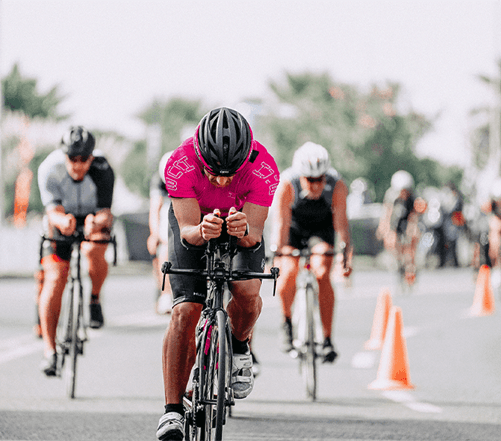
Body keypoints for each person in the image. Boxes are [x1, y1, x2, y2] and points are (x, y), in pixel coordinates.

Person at [156, 107, 279, 441]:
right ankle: (172, 411)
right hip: (197, 224)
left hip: (240, 225)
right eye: (214, 172)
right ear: (199, 156)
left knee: (247, 290)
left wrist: (243, 229)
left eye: (231, 173)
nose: (223, 180)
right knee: (184, 311)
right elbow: (187, 233)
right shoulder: (180, 164)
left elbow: (254, 234)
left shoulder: (264, 168)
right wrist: (201, 228)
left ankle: (240, 348)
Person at [37, 126, 114, 376]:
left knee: (95, 250)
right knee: (55, 277)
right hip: (61, 218)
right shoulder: (49, 169)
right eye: (72, 159)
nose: (78, 165)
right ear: (64, 155)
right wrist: (64, 223)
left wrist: (96, 222)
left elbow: (106, 212)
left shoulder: (103, 169)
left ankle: (94, 298)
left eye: (84, 160)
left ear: (92, 157)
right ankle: (50, 352)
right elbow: (52, 211)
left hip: (92, 218)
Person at [270, 142, 352, 364]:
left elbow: (342, 225)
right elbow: (281, 225)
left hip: (320, 231)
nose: (316, 185)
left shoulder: (337, 185)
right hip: (294, 231)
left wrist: (345, 257)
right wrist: (276, 257)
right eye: (310, 180)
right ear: (301, 176)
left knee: (322, 271)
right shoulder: (288, 183)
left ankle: (326, 339)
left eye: (320, 179)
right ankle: (286, 322)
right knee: (288, 271)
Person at [376, 170, 422, 285]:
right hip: (395, 223)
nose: (404, 194)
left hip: (407, 222)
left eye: (406, 191)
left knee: (412, 241)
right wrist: (383, 228)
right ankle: (397, 261)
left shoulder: (413, 198)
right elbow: (386, 213)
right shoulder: (391, 196)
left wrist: (412, 229)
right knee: (392, 242)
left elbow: (414, 216)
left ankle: (410, 268)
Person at [147, 151, 174, 314]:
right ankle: (165, 294)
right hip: (168, 210)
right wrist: (155, 234)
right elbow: (155, 208)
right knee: (164, 246)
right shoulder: (158, 179)